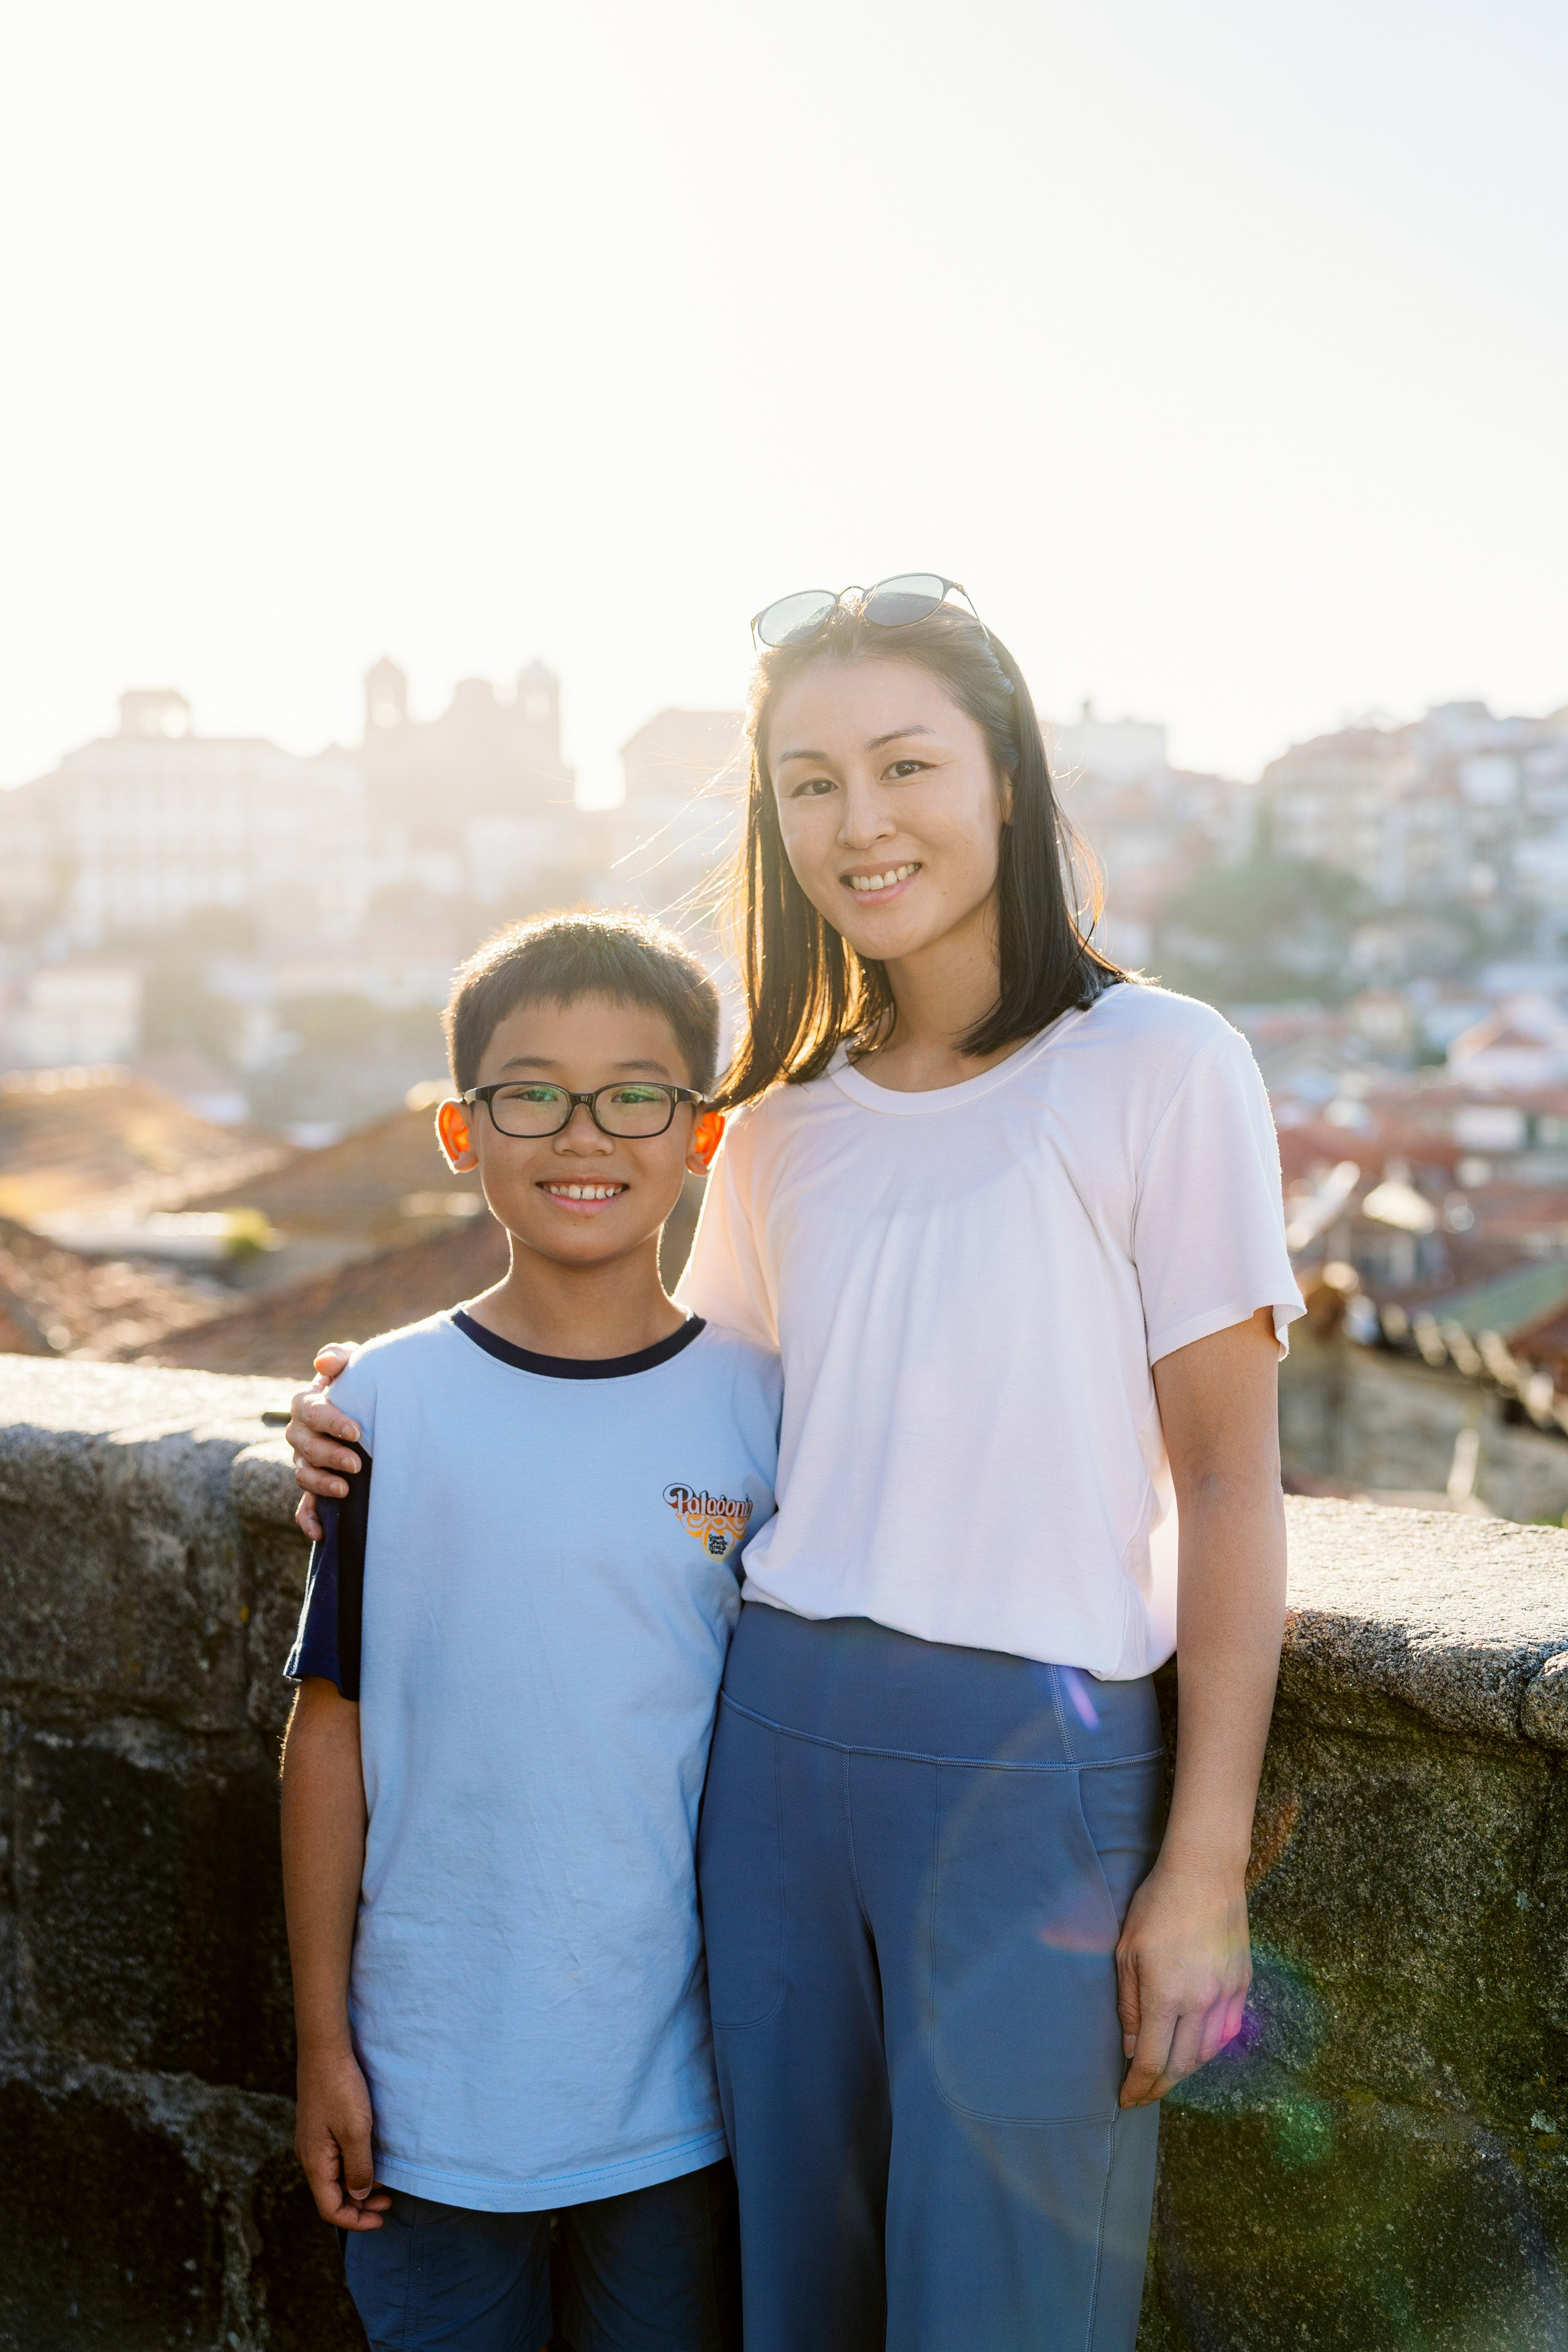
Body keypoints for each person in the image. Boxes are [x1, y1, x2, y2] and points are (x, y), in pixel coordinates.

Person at [292, 578, 1304, 2352]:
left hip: (1034, 1764)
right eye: (810, 780)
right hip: (765, 1765)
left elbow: (1229, 1481)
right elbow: (671, 1403)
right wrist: (370, 1401)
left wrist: (1201, 1863)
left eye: (906, 763)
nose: (861, 820)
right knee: (795, 2304)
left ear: (1007, 780)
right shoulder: (781, 1118)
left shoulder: (1162, 1065)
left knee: (1010, 2306)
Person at [280, 911, 777, 2352]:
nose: (584, 1133)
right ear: (460, 1131)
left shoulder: (757, 1409)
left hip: (677, 2097)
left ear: (700, 1136)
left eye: (637, 1093)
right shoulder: (382, 1402)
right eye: (531, 1092)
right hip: (431, 2088)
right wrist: (324, 2043)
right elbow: (329, 1734)